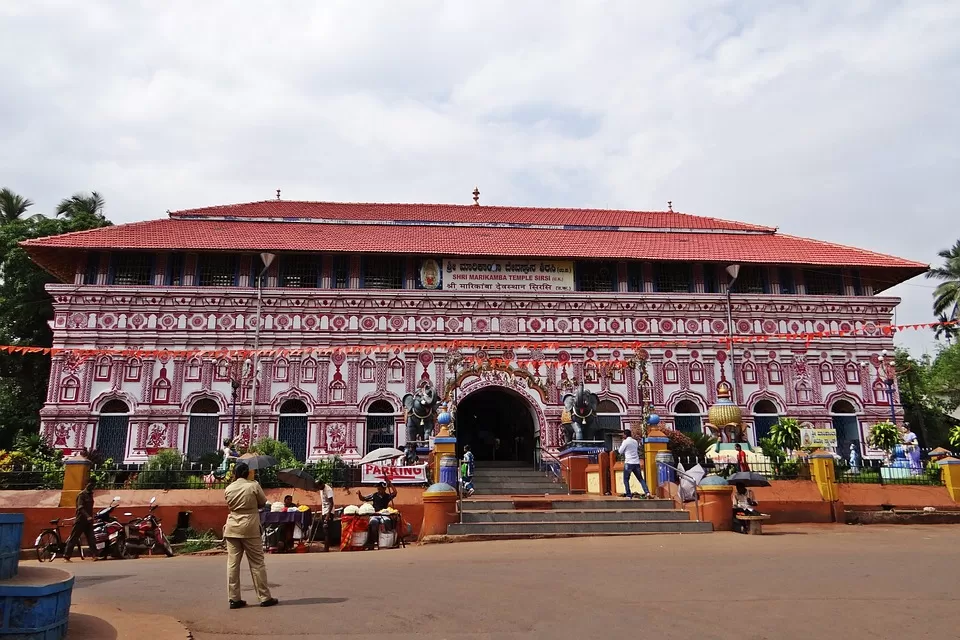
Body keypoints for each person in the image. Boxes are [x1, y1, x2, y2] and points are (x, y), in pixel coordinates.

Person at [224, 461, 278, 609]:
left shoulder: (229, 488)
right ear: (247, 473)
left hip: (232, 526)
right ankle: (264, 597)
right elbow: (262, 503)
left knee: (233, 564)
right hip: (250, 526)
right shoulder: (253, 485)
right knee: (257, 563)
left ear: (234, 474)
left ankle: (234, 598)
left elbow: (229, 504)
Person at [357, 479, 398, 549]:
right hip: (375, 515)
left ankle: (387, 540)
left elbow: (395, 493)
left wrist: (390, 484)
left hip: (384, 514)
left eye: (380, 489)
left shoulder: (387, 496)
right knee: (373, 523)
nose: (379, 490)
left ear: (384, 489)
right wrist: (359, 494)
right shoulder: (374, 495)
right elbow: (363, 499)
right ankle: (372, 542)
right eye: (378, 489)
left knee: (386, 522)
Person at [63, 480, 98, 562]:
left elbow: (89, 508)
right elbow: (80, 508)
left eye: (93, 485)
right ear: (86, 485)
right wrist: (87, 516)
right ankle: (66, 556)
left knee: (91, 538)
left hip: (88, 521)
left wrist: (92, 515)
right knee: (74, 538)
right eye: (90, 484)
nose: (91, 487)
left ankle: (94, 555)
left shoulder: (90, 495)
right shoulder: (81, 495)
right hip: (80, 520)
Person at [618, 429, 651, 499]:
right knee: (640, 479)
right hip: (636, 462)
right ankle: (647, 492)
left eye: (623, 434)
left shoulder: (625, 442)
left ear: (625, 435)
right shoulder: (635, 441)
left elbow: (620, 451)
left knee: (626, 479)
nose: (622, 436)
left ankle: (628, 495)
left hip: (629, 463)